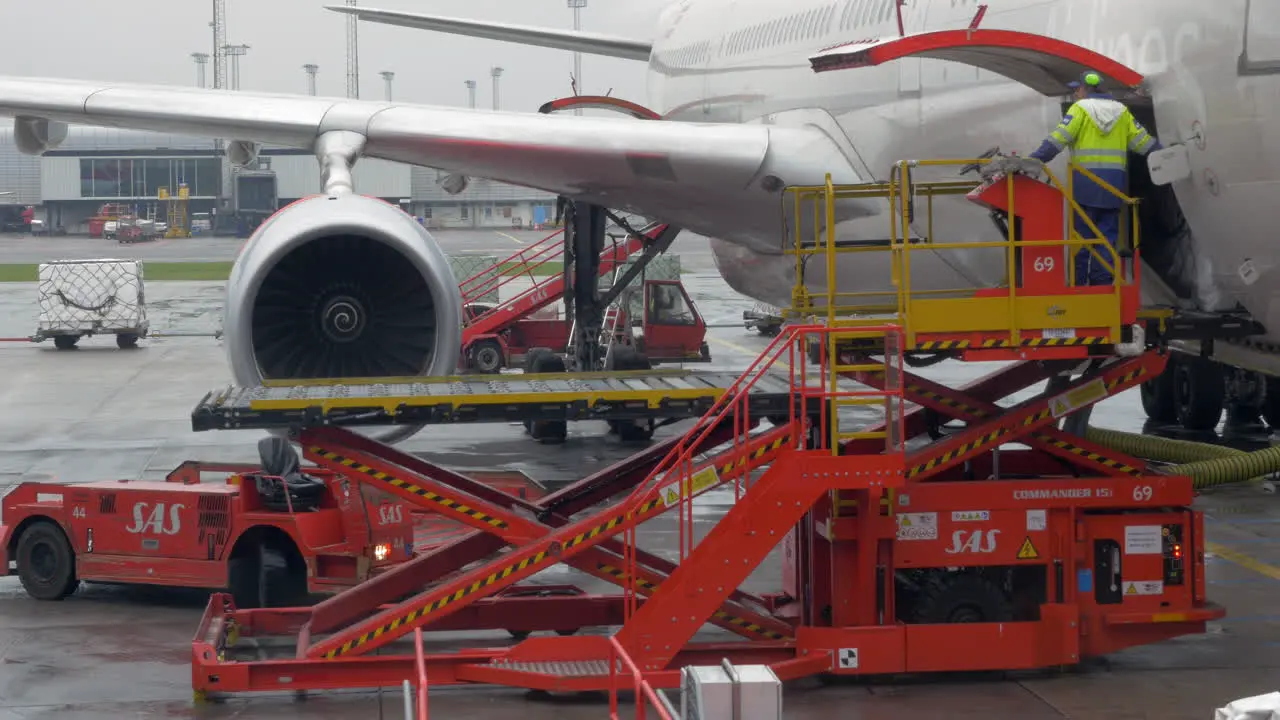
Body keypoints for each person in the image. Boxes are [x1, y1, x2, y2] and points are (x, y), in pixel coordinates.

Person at [1029, 70, 1162, 285]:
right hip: (1112, 185)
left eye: (1077, 89)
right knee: (1107, 236)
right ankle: (1102, 283)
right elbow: (1143, 144)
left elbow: (1058, 139)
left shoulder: (1080, 109)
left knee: (1082, 235)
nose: (1075, 93)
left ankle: (1079, 284)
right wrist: (1168, 154)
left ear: (1085, 89)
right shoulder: (1122, 112)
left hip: (1085, 183)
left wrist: (1034, 160)